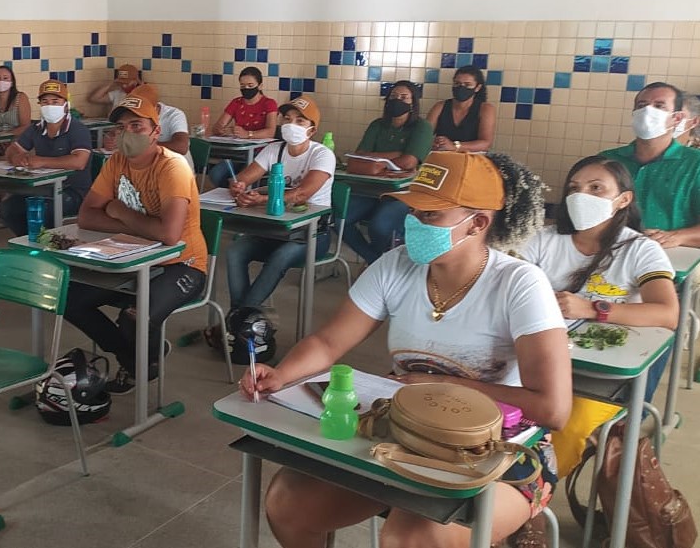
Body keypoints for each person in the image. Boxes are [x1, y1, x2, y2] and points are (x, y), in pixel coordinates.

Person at [244, 151, 570, 548]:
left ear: (478, 223)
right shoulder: (394, 266)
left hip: (503, 452)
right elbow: (329, 342)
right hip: (408, 436)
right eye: (413, 211)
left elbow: (552, 408)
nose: (413, 224)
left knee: (411, 539)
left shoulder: (519, 284)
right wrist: (282, 375)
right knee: (289, 503)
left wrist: (436, 386)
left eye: (431, 215)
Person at [521, 155, 677, 471]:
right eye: (574, 188)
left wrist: (593, 309)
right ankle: (506, 495)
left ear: (623, 200)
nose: (582, 197)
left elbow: (666, 313)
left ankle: (534, 498)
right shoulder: (544, 240)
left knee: (569, 426)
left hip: (602, 373)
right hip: (544, 358)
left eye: (596, 188)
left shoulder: (639, 249)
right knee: (511, 417)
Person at [66, 86, 208, 394]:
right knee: (70, 300)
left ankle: (145, 365)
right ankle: (135, 361)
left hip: (182, 264)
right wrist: (141, 226)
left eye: (136, 126)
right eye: (121, 128)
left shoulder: (173, 167)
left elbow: (169, 236)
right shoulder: (116, 162)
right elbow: (86, 216)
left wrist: (118, 211)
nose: (127, 133)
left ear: (155, 131)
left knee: (133, 318)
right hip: (130, 258)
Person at [226, 96, 335, 311]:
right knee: (235, 251)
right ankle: (244, 318)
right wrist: (239, 188)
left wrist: (262, 200)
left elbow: (301, 195)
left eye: (300, 121)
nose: (291, 125)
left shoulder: (322, 154)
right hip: (274, 229)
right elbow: (242, 179)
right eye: (287, 119)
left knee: (279, 258)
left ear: (312, 131)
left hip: (310, 234)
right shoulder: (274, 149)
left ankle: (240, 317)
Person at [600, 81, 700, 248]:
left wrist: (678, 237)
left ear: (677, 118)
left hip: (672, 259)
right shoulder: (607, 161)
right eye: (641, 105)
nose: (647, 111)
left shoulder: (695, 164)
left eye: (659, 106)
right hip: (610, 253)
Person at [343, 81, 434, 264]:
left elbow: (409, 161)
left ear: (413, 103)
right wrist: (394, 156)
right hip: (368, 191)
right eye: (393, 97)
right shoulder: (378, 125)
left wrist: (375, 163)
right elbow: (358, 157)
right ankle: (376, 261)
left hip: (402, 195)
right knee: (339, 218)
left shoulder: (421, 127)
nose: (397, 101)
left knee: (379, 227)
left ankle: (379, 264)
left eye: (403, 97)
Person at [0, 79, 92, 235]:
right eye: (45, 102)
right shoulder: (36, 128)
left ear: (65, 104)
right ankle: (30, 243)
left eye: (55, 101)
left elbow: (79, 161)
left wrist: (42, 161)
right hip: (43, 188)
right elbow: (12, 150)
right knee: (9, 208)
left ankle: (45, 246)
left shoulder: (77, 129)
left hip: (73, 192)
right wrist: (18, 158)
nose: (50, 106)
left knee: (42, 211)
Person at [208, 66, 278, 186]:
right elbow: (218, 126)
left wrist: (248, 134)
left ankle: (241, 196)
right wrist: (223, 130)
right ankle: (231, 196)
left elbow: (270, 132)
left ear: (260, 86)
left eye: (250, 86)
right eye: (242, 86)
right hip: (238, 152)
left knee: (243, 178)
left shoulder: (269, 103)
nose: (246, 89)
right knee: (216, 174)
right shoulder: (236, 102)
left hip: (260, 153)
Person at [101, 83, 193, 168]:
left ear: (155, 107)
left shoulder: (174, 115)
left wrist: (140, 145)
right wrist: (110, 137)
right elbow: (118, 129)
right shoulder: (115, 163)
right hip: (146, 168)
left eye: (136, 125)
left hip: (175, 167)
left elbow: (181, 147)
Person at [426, 65, 496, 152]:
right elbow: (424, 135)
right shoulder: (439, 106)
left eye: (467, 85)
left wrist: (455, 146)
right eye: (457, 83)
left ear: (477, 88)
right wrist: (434, 143)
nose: (461, 87)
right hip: (441, 157)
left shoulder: (486, 109)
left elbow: (486, 143)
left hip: (473, 160)